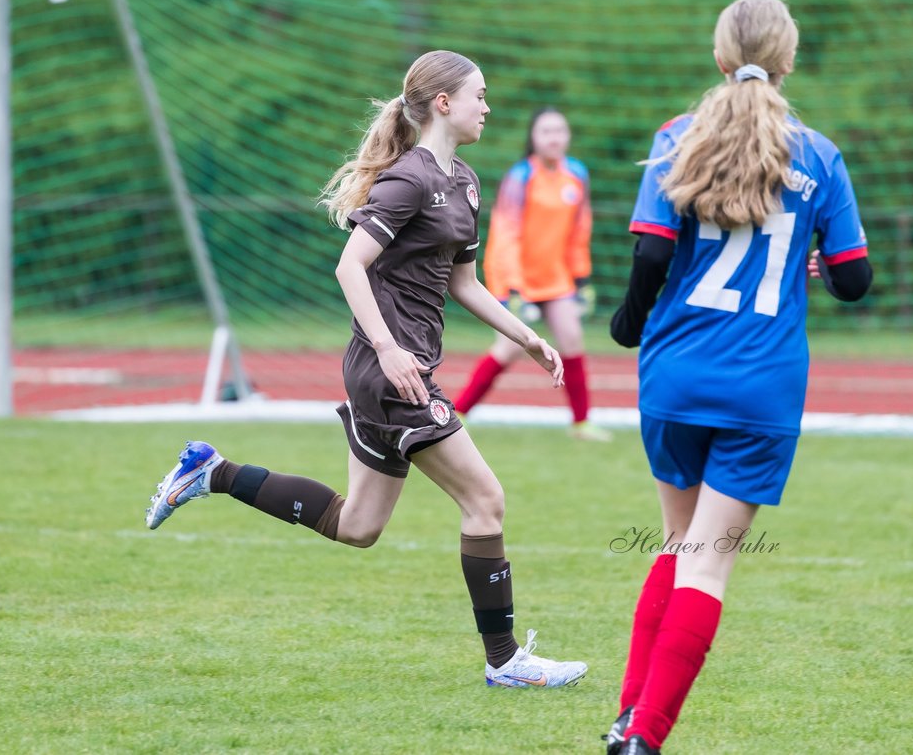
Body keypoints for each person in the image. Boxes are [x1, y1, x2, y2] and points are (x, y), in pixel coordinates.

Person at [144, 50, 588, 689]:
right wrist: (386, 348)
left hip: (397, 369)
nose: (488, 107)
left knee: (357, 526)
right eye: (479, 95)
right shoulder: (408, 180)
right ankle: (506, 662)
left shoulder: (463, 180)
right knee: (485, 499)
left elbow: (465, 281)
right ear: (443, 103)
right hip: (391, 372)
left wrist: (525, 336)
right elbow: (350, 266)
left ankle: (213, 473)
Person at [602, 0, 873, 754]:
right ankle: (644, 737)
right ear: (788, 62)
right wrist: (817, 264)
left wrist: (628, 322)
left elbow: (653, 252)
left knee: (676, 544)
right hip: (763, 383)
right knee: (708, 563)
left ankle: (628, 716)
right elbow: (854, 280)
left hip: (676, 373)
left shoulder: (676, 136)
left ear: (719, 58)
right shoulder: (819, 154)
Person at [453, 107, 612, 442]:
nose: (554, 137)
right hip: (518, 282)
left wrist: (581, 278)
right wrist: (510, 289)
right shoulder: (521, 176)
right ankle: (458, 414)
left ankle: (581, 423)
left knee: (571, 340)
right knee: (508, 349)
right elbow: (505, 235)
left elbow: (579, 231)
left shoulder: (577, 175)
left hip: (556, 280)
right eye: (546, 131)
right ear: (534, 139)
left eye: (560, 130)